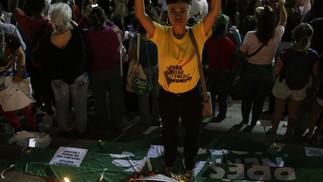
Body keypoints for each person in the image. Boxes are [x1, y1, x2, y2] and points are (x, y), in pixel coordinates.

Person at [135, 0, 221, 180]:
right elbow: (141, 16)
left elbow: (213, 13)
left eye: (183, 10)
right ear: (167, 12)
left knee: (192, 134)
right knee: (168, 132)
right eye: (173, 10)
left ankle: (189, 166)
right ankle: (169, 164)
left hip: (191, 96)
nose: (178, 15)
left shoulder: (198, 32)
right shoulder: (161, 34)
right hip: (167, 97)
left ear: (190, 12)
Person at [34, 2, 89, 135]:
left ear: (52, 19)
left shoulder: (46, 41)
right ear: (68, 18)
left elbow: (42, 61)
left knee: (61, 106)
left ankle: (64, 129)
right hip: (78, 77)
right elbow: (84, 58)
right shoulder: (77, 36)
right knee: (80, 105)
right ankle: (81, 129)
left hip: (58, 80)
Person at [78, 5, 127, 132]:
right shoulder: (114, 32)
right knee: (116, 98)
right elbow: (119, 30)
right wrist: (106, 20)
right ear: (104, 18)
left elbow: (79, 28)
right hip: (114, 70)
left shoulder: (88, 34)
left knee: (99, 100)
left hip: (96, 71)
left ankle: (103, 124)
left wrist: (85, 16)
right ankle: (117, 124)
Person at [239, 0, 287, 129]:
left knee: (247, 99)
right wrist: (282, 5)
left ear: (259, 20)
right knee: (259, 101)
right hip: (266, 73)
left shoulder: (250, 35)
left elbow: (243, 52)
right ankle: (253, 122)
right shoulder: (276, 35)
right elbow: (283, 21)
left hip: (250, 71)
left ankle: (244, 120)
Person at [271, 23, 319, 136]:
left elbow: (277, 71)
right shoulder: (313, 54)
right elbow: (315, 73)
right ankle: (288, 132)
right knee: (293, 112)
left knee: (278, 110)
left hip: (283, 84)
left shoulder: (285, 53)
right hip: (301, 86)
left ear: (295, 36)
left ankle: (273, 132)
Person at [10, 0, 55, 117]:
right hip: (47, 61)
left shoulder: (25, 22)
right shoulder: (50, 24)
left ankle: (39, 104)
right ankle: (50, 108)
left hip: (31, 58)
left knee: (36, 83)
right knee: (48, 85)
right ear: (44, 6)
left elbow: (13, 9)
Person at [0, 28, 37, 132]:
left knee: (23, 102)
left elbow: (21, 54)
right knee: (4, 105)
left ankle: (33, 127)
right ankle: (18, 127)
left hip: (11, 76)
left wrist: (20, 72)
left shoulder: (9, 37)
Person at [204, 14, 237, 122]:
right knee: (223, 96)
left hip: (212, 71)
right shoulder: (226, 41)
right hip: (225, 72)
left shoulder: (209, 41)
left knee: (212, 94)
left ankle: (211, 112)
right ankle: (222, 114)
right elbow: (236, 53)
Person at [128, 22, 160, 127]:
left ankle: (146, 121)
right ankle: (156, 119)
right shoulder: (157, 37)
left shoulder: (136, 39)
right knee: (157, 97)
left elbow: (130, 55)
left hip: (141, 70)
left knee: (143, 97)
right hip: (156, 69)